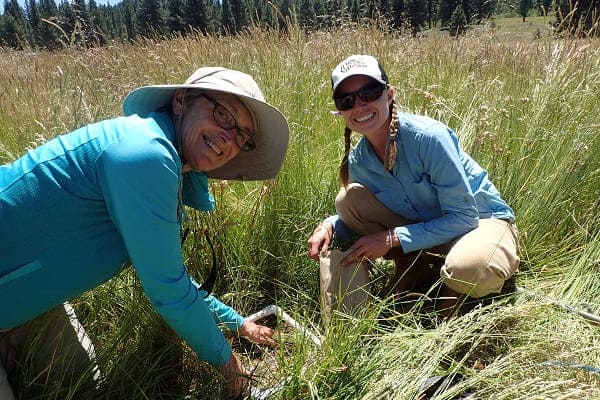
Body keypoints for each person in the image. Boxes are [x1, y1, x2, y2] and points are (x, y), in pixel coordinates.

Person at [0, 66, 289, 398]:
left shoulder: (168, 162)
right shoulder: (146, 153)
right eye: (223, 114)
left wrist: (237, 323)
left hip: (29, 302)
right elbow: (170, 291)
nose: (229, 138)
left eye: (242, 137)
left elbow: (168, 275)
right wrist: (232, 368)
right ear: (181, 101)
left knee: (85, 387)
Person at [307, 55, 519, 319]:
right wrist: (328, 225)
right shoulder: (360, 160)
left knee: (471, 269)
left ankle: (455, 290)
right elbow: (357, 212)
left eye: (369, 92)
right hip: (432, 227)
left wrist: (392, 239)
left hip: (481, 221)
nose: (359, 105)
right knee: (347, 200)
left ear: (389, 94)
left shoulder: (429, 138)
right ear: (340, 112)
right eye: (347, 100)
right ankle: (415, 267)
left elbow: (464, 217)